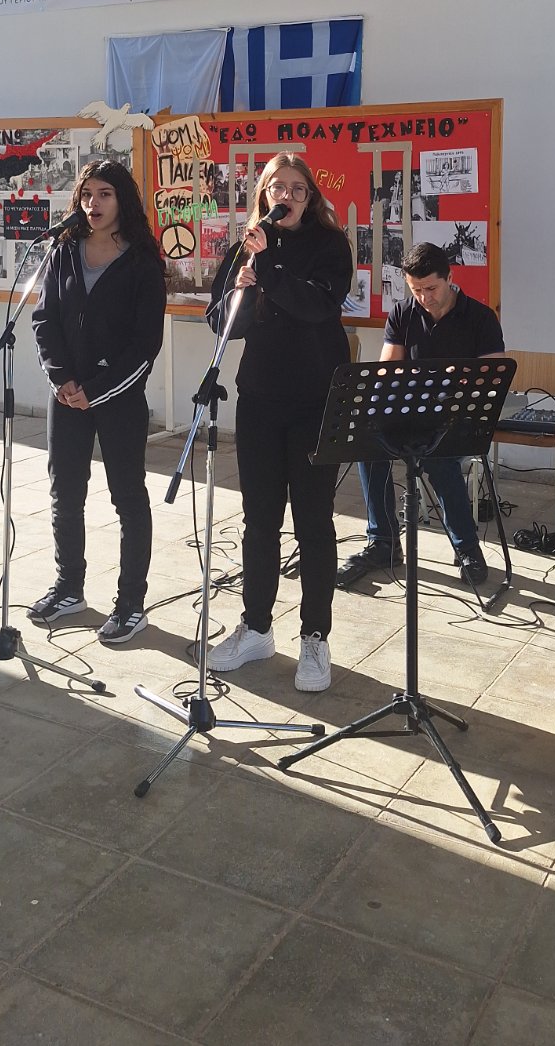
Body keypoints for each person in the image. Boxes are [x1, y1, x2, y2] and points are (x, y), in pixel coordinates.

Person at [206, 154, 354, 692]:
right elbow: (222, 322)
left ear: (310, 197)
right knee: (260, 520)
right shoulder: (247, 246)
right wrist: (243, 290)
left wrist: (267, 268)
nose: (286, 196)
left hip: (316, 402)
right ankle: (257, 628)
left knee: (314, 521)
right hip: (260, 399)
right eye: (277, 188)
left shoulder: (330, 245)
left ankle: (315, 636)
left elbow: (316, 307)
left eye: (297, 188)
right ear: (264, 195)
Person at [31, 158, 166, 644]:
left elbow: (145, 344)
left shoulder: (143, 261)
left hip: (118, 399)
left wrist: (97, 389)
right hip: (67, 396)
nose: (93, 203)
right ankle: (69, 587)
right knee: (65, 492)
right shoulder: (63, 251)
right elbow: (44, 320)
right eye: (87, 194)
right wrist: (62, 379)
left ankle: (131, 604)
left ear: (122, 200)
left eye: (105, 194)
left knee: (128, 498)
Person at [336, 240, 504, 589]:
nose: (424, 298)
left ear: (450, 278)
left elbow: (492, 380)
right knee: (368, 447)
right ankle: (383, 542)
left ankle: (467, 548)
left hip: (459, 419)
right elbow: (386, 372)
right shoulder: (402, 313)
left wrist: (460, 384)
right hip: (412, 414)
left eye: (431, 288)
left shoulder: (481, 318)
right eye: (416, 290)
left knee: (438, 457)